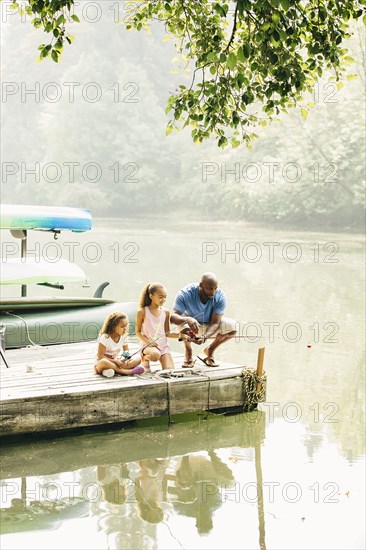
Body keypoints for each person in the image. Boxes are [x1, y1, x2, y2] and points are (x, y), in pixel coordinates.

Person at [171, 272, 236, 368]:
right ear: (201, 285)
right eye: (210, 288)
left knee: (232, 327)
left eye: (215, 288)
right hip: (189, 328)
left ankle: (210, 351)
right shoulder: (186, 293)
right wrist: (187, 319)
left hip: (209, 326)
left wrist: (205, 337)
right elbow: (172, 317)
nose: (213, 292)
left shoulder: (220, 297)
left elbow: (215, 323)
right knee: (182, 324)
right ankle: (188, 353)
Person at [136, 283, 183, 371]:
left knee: (169, 371)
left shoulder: (166, 312)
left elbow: (167, 333)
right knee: (155, 355)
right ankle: (145, 357)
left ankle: (160, 358)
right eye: (161, 297)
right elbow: (138, 332)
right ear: (151, 296)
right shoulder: (142, 312)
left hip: (163, 346)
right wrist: (149, 342)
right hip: (148, 345)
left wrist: (181, 335)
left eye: (165, 297)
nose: (163, 299)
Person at [94, 311, 144, 378]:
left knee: (138, 359)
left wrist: (125, 360)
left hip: (116, 363)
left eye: (126, 326)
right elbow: (100, 356)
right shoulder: (105, 337)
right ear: (113, 327)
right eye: (122, 326)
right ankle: (126, 371)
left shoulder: (123, 337)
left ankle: (113, 371)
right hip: (102, 363)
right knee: (104, 362)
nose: (125, 328)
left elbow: (126, 353)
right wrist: (116, 361)